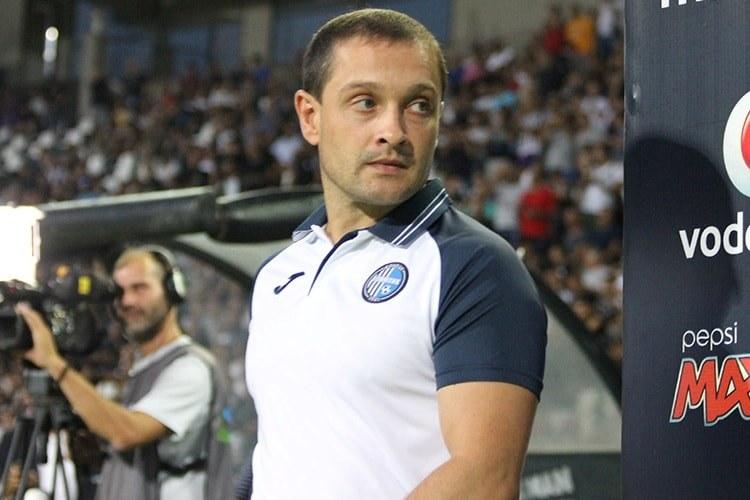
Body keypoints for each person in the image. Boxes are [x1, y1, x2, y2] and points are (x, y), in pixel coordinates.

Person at [244, 8, 547, 500]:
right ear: (310, 117)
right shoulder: (278, 273)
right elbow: (280, 447)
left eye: (419, 105)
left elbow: (483, 481)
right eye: (366, 102)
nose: (395, 130)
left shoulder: (475, 267)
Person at [16, 247, 214, 500]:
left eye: (140, 288)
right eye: (119, 292)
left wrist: (54, 363)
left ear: (172, 290)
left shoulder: (191, 368)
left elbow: (125, 433)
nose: (127, 301)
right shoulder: (143, 368)